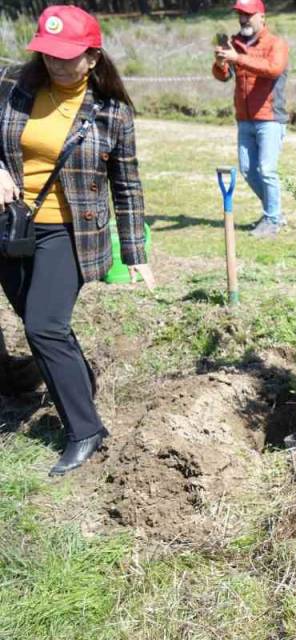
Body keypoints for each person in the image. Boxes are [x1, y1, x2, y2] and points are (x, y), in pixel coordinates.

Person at [0, 5, 155, 476]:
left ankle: (85, 429)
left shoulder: (113, 113)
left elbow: (126, 185)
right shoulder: (13, 86)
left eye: (67, 55)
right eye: (47, 54)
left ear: (92, 57)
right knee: (38, 319)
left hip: (71, 233)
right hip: (13, 225)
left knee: (43, 326)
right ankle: (79, 379)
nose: (55, 63)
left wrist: (135, 253)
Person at [212, 0, 290, 238]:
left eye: (248, 15)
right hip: (244, 118)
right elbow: (223, 76)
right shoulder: (235, 44)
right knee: (248, 170)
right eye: (240, 15)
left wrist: (238, 58)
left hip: (270, 118)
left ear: (262, 17)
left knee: (267, 169)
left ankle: (273, 219)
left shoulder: (277, 44)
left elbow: (273, 69)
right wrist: (220, 63)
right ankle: (274, 212)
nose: (243, 19)